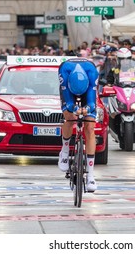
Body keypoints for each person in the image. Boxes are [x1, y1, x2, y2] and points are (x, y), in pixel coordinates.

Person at [58, 58, 99, 192]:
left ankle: (91, 175)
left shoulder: (92, 73)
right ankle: (64, 151)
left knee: (89, 127)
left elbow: (92, 103)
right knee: (69, 117)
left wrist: (87, 109)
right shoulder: (64, 71)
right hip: (68, 91)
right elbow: (69, 103)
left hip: (88, 91)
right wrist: (74, 108)